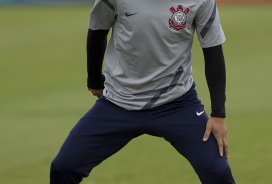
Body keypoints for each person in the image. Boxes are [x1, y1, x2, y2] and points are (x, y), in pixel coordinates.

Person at [50, 0, 235, 183]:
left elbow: (213, 51)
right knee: (63, 167)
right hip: (118, 103)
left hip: (177, 104)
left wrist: (218, 114)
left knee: (217, 171)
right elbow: (98, 29)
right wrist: (94, 79)